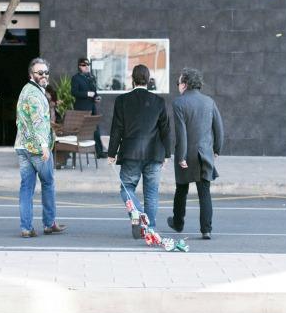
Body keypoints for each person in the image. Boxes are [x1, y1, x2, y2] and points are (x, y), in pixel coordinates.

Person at [107, 64, 171, 236]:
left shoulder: (122, 101)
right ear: (149, 80)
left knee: (126, 188)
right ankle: (149, 228)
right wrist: (168, 154)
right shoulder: (159, 101)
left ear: (132, 80)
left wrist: (111, 153)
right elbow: (165, 130)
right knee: (151, 193)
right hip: (154, 154)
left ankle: (137, 213)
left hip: (130, 154)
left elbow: (116, 129)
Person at [167, 68, 224, 240]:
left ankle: (178, 223)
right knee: (204, 192)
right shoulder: (209, 101)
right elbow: (219, 129)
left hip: (187, 153)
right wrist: (216, 150)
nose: (178, 86)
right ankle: (206, 229)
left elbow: (181, 133)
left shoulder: (179, 103)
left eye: (178, 83)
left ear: (185, 84)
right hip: (204, 154)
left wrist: (182, 156)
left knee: (181, 189)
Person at [14, 57, 67, 238]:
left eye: (46, 72)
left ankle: (26, 228)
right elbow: (37, 121)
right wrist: (44, 146)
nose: (44, 75)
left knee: (26, 188)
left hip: (22, 146)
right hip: (37, 149)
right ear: (31, 75)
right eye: (39, 73)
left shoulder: (26, 91)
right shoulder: (35, 94)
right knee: (48, 183)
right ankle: (49, 223)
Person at [71, 57, 107, 157]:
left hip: (92, 107)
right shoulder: (76, 78)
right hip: (81, 109)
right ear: (79, 66)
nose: (86, 67)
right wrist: (87, 94)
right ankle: (71, 150)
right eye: (84, 65)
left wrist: (97, 97)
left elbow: (94, 92)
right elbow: (74, 92)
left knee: (96, 129)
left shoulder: (90, 77)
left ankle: (99, 152)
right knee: (81, 131)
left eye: (88, 65)